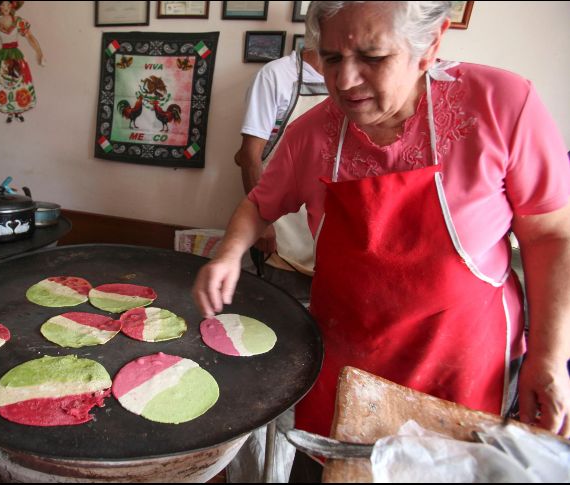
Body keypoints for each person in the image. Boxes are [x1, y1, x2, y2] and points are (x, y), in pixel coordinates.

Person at [193, 0, 570, 447]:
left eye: (372, 57)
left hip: (461, 363)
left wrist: (548, 355)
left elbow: (551, 235)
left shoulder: (500, 105)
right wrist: (229, 254)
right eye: (331, 58)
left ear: (430, 44)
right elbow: (259, 205)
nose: (345, 81)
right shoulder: (311, 134)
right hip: (347, 359)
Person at [234, 10, 328, 302]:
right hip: (283, 227)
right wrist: (263, 223)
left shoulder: (353, 80)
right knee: (280, 308)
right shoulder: (277, 76)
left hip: (328, 226)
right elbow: (249, 156)